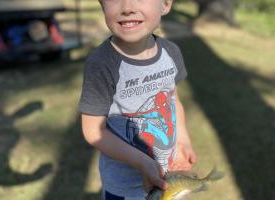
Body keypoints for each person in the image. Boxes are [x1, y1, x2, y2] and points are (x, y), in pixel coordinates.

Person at [78, 0, 197, 199]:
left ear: (166, 4)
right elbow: (93, 131)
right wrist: (143, 162)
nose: (127, 8)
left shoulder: (170, 52)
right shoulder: (102, 64)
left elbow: (172, 101)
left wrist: (183, 141)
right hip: (125, 188)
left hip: (169, 179)